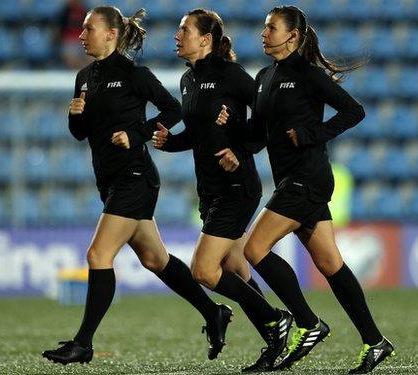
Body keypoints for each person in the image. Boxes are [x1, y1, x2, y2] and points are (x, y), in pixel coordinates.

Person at [42, 6, 231, 365]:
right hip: (110, 180)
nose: (81, 36)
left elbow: (173, 110)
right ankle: (213, 313)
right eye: (81, 31)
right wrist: (74, 116)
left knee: (98, 255)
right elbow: (81, 134)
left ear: (111, 34)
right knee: (154, 258)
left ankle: (83, 343)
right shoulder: (84, 77)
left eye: (88, 29)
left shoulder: (134, 75)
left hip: (135, 178)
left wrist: (137, 133)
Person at [217, 5, 394, 374]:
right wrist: (233, 133)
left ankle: (308, 323)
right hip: (290, 179)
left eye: (272, 28)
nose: (264, 34)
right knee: (330, 263)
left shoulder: (308, 75)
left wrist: (315, 133)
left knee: (254, 247)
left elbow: (353, 111)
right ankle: (375, 342)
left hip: (308, 177)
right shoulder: (264, 76)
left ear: (292, 36)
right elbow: (258, 135)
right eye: (264, 28)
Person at [152, 9, 292, 371]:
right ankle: (275, 343)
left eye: (184, 29)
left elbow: (266, 119)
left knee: (203, 270)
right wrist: (169, 143)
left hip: (237, 187)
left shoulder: (230, 75)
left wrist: (241, 150)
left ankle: (277, 319)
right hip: (210, 190)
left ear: (205, 39)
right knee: (237, 271)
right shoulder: (187, 80)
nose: (176, 35)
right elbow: (199, 135)